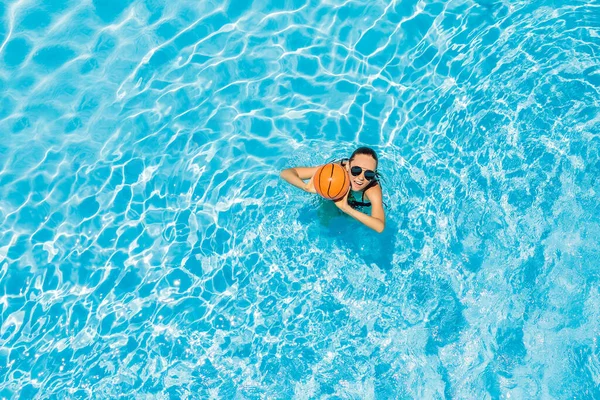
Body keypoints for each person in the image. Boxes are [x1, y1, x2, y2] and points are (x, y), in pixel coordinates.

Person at [280, 147, 386, 233]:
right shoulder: (334, 171)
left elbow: (379, 226)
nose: (361, 177)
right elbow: (286, 173)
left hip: (358, 205)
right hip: (333, 196)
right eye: (356, 170)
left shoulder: (372, 189)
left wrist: (346, 208)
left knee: (350, 225)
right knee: (324, 224)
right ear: (348, 166)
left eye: (369, 174)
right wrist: (305, 187)